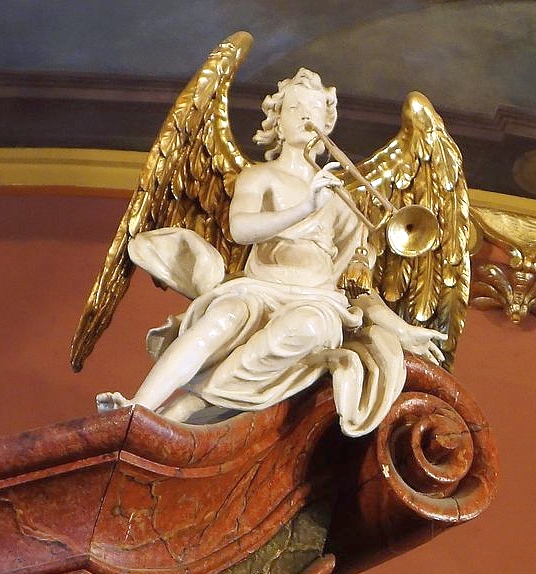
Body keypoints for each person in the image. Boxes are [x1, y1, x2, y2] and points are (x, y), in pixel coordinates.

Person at [97, 68, 445, 432]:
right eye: (294, 109)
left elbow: (357, 287)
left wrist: (402, 329)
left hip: (317, 301)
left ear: (328, 122)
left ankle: (187, 406)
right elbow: (240, 229)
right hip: (258, 289)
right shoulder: (259, 177)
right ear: (277, 121)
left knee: (304, 328)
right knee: (222, 317)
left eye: (313, 110)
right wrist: (305, 207)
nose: (305, 117)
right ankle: (137, 407)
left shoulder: (341, 200)